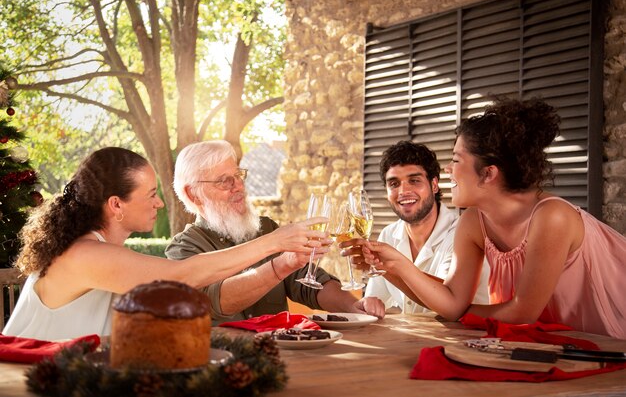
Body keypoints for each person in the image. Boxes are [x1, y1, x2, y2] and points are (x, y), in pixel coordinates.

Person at [345, 96, 626, 339]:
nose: (447, 170)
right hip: (559, 346)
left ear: (488, 173)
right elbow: (452, 302)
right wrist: (393, 266)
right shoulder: (473, 222)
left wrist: (452, 313)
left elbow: (521, 312)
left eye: (456, 160)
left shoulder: (552, 216)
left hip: (610, 336)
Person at [3, 147, 328, 341]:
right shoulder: (85, 255)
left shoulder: (100, 250)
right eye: (151, 195)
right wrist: (273, 242)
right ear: (116, 205)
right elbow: (183, 276)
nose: (159, 204)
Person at [165, 140, 385, 324]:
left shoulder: (265, 228)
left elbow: (308, 283)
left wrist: (353, 306)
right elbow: (212, 302)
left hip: (280, 356)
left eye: (238, 175)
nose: (238, 186)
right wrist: (281, 263)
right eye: (224, 181)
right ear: (193, 194)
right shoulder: (183, 250)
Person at [363, 141, 489, 314]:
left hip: (464, 337)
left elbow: (447, 304)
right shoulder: (388, 235)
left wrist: (396, 266)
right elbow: (377, 299)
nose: (403, 191)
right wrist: (369, 303)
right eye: (394, 184)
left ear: (434, 184)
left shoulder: (461, 233)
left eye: (414, 181)